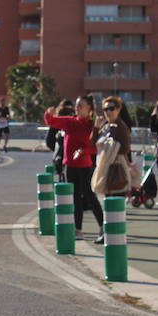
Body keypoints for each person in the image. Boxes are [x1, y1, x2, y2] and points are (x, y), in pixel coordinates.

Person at [44, 95, 104, 242]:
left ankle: (103, 227)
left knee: (90, 197)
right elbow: (52, 121)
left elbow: (95, 147)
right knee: (75, 198)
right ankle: (78, 230)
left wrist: (84, 151)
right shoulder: (70, 121)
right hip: (70, 167)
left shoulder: (92, 125)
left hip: (85, 166)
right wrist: (48, 114)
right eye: (77, 105)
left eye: (81, 106)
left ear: (89, 109)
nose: (77, 108)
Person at [97, 96, 133, 204]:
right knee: (108, 201)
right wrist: (95, 128)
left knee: (116, 201)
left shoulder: (121, 126)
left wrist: (111, 147)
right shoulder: (104, 125)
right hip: (105, 167)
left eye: (111, 108)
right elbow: (93, 143)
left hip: (117, 168)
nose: (108, 112)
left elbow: (125, 148)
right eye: (105, 109)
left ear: (118, 109)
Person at [44, 98, 74, 179]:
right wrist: (59, 150)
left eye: (70, 110)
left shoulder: (75, 122)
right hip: (62, 160)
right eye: (65, 109)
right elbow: (49, 140)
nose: (68, 113)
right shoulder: (57, 122)